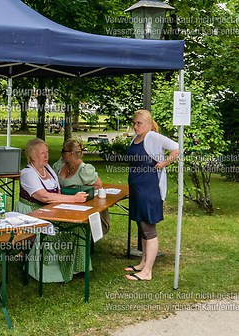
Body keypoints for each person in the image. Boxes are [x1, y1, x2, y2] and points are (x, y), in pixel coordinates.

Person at [16, 138, 89, 283]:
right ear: (32, 156)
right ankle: (53, 271)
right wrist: (74, 199)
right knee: (57, 232)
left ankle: (76, 267)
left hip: (51, 210)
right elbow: (44, 197)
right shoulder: (28, 173)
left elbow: (57, 192)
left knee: (79, 228)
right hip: (32, 213)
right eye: (42, 153)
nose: (46, 156)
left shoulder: (48, 168)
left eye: (47, 152)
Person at [124, 109, 179, 281]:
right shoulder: (136, 138)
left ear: (148, 124)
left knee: (149, 229)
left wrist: (163, 163)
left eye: (139, 123)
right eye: (134, 123)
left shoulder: (153, 137)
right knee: (141, 225)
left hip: (149, 189)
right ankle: (142, 263)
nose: (135, 126)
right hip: (137, 189)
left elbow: (177, 148)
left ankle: (147, 271)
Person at [52, 138, 111, 235]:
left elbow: (98, 185)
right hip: (61, 202)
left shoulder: (85, 169)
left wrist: (82, 192)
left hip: (78, 207)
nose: (61, 153)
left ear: (71, 153)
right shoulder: (61, 164)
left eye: (63, 151)